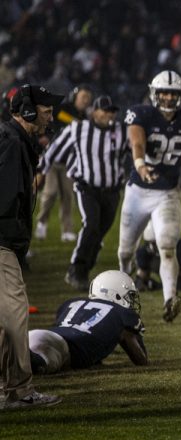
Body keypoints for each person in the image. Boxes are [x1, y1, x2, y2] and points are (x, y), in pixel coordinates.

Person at [118, 70, 181, 322]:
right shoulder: (141, 113)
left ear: (180, 96)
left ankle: (169, 299)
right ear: (154, 93)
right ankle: (124, 286)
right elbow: (137, 143)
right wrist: (141, 165)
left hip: (167, 192)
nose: (167, 97)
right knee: (124, 251)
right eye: (164, 92)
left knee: (167, 246)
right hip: (138, 191)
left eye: (173, 93)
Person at [0, 83, 64, 410]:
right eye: (45, 107)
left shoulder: (15, 141)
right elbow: (7, 201)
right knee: (14, 315)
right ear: (26, 110)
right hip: (1, 245)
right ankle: (18, 391)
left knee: (6, 318)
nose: (51, 113)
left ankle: (10, 389)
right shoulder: (11, 144)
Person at [38, 95, 130, 291]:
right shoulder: (78, 128)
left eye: (112, 111)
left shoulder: (122, 131)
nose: (109, 115)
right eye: (105, 111)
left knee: (99, 233)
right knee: (91, 226)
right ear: (94, 112)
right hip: (86, 186)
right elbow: (54, 150)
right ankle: (76, 269)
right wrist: (40, 172)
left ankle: (85, 268)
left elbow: (137, 148)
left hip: (112, 191)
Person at [28, 270, 147, 374]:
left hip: (41, 335)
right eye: (129, 296)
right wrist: (132, 332)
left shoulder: (72, 302)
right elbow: (141, 360)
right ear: (114, 294)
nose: (131, 301)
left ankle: (16, 348)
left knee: (22, 360)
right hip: (58, 346)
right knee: (40, 365)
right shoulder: (122, 313)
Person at [34, 84, 93, 242]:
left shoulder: (85, 118)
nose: (86, 100)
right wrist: (44, 136)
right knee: (50, 193)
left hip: (69, 162)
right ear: (75, 97)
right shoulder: (62, 108)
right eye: (83, 97)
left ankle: (67, 230)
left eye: (88, 98)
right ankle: (41, 222)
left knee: (68, 196)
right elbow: (51, 121)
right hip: (52, 158)